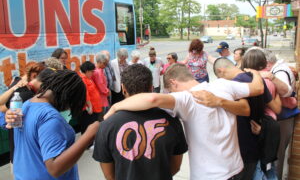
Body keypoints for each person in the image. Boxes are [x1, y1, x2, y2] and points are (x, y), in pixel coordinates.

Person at [104, 63, 265, 180]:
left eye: (170, 90)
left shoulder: (186, 99)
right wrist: (256, 73)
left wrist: (115, 107)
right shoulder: (223, 85)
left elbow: (152, 98)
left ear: (173, 82)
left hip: (209, 176)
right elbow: (258, 88)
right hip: (237, 169)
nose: (171, 94)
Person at [93, 64, 188, 180]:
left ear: (123, 88)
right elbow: (175, 166)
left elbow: (109, 175)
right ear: (151, 88)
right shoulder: (172, 120)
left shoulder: (106, 125)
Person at [5, 70, 100, 180]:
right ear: (68, 96)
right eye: (71, 105)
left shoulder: (27, 104)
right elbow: (54, 168)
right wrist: (88, 135)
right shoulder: (50, 118)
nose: (68, 109)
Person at [213, 57, 281, 180]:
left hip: (242, 146)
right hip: (257, 141)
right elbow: (274, 106)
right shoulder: (257, 80)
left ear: (221, 70)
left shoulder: (233, 84)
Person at [260, 49, 297, 180]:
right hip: (282, 118)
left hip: (282, 119)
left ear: (267, 63)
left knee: (277, 155)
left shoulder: (279, 72)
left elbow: (286, 91)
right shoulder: (279, 68)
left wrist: (271, 78)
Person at [79, 61, 102, 135]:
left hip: (94, 107)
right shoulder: (82, 79)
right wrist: (90, 106)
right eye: (92, 71)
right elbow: (85, 94)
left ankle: (90, 142)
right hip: (89, 109)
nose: (93, 73)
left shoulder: (88, 78)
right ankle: (88, 144)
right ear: (87, 71)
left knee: (92, 125)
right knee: (88, 126)